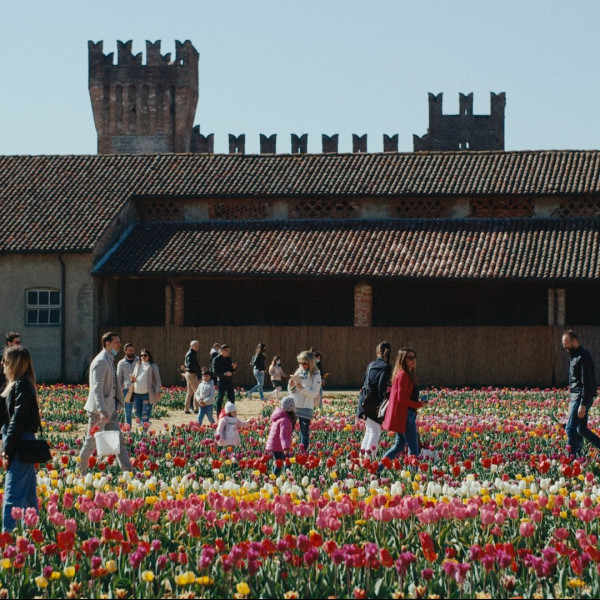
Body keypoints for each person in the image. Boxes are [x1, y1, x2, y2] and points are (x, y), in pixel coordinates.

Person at [79, 332, 132, 475]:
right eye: (116, 342)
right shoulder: (101, 361)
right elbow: (97, 388)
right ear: (108, 344)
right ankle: (80, 470)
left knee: (119, 440)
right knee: (91, 442)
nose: (120, 345)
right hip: (100, 411)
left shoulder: (109, 359)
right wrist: (102, 410)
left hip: (110, 409)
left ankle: (128, 471)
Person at [0, 346, 41, 532]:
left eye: (6, 361)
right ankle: (33, 533)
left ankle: (7, 538)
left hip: (20, 443)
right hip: (23, 441)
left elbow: (18, 421)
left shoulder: (21, 385)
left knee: (13, 495)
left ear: (14, 364)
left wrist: (7, 450)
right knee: (29, 496)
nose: (2, 364)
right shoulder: (19, 384)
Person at [378, 347, 426, 473]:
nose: (413, 360)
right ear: (403, 360)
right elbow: (402, 399)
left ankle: (377, 469)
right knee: (413, 448)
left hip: (404, 415)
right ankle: (412, 475)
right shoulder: (403, 375)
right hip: (406, 416)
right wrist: (418, 404)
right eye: (410, 358)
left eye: (414, 357)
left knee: (398, 447)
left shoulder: (404, 374)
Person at [561, 330, 600, 457]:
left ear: (574, 341)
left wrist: (582, 404)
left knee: (570, 428)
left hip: (581, 397)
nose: (564, 346)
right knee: (581, 429)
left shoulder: (583, 357)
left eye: (566, 343)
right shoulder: (574, 355)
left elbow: (586, 382)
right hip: (576, 397)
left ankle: (571, 459)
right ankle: (576, 454)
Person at [357, 341, 393, 460]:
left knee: (369, 430)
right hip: (374, 401)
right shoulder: (386, 366)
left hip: (364, 400)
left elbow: (365, 382)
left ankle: (362, 457)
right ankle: (369, 458)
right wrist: (382, 405)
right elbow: (381, 387)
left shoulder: (371, 365)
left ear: (377, 352)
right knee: (375, 431)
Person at [288, 351, 322, 451]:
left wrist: (302, 388)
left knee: (304, 433)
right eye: (300, 363)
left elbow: (314, 393)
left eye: (304, 363)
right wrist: (291, 385)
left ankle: (303, 453)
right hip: (294, 405)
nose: (302, 365)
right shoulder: (299, 371)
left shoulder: (316, 375)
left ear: (311, 363)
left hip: (306, 407)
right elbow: (291, 391)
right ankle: (286, 451)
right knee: (288, 431)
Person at [130, 348, 161, 426]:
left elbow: (157, 379)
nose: (143, 357)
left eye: (145, 355)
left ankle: (144, 429)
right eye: (141, 355)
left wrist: (157, 391)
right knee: (136, 411)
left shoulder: (153, 366)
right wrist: (132, 379)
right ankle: (145, 423)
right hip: (136, 393)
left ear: (149, 356)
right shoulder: (137, 365)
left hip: (147, 394)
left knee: (145, 413)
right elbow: (134, 376)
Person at [266, 396, 296, 475]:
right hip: (279, 446)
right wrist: (285, 447)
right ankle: (274, 476)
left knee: (287, 460)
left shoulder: (279, 417)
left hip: (277, 444)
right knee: (279, 463)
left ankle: (286, 474)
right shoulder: (285, 420)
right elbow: (283, 435)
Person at [117, 343, 139, 427]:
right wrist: (118, 390)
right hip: (128, 389)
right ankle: (128, 429)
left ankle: (143, 429)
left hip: (140, 389)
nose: (131, 352)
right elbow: (119, 378)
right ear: (125, 351)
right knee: (128, 411)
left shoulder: (139, 361)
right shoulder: (121, 363)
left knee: (140, 410)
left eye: (133, 350)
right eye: (129, 350)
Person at [212, 344, 237, 415]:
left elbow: (231, 371)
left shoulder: (229, 359)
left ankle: (231, 415)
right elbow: (214, 373)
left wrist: (234, 368)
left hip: (229, 381)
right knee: (220, 399)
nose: (228, 352)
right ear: (222, 350)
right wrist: (224, 374)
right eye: (227, 350)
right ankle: (218, 415)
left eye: (229, 350)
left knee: (232, 398)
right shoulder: (216, 359)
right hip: (221, 381)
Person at [184, 341, 201, 414]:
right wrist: (198, 369)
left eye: (198, 345)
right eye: (196, 345)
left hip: (189, 373)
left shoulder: (191, 353)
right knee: (197, 391)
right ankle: (196, 408)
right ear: (192, 346)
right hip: (192, 374)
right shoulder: (191, 354)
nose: (198, 347)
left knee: (190, 392)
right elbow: (191, 365)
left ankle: (187, 409)